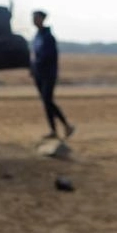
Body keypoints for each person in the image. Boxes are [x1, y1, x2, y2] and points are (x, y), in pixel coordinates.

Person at [31, 10, 74, 140]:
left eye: (36, 18)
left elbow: (47, 56)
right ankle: (54, 130)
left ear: (42, 19)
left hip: (48, 74)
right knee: (46, 102)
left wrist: (36, 64)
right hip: (39, 73)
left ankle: (66, 125)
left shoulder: (48, 37)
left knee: (48, 100)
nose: (34, 20)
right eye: (33, 18)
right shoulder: (37, 36)